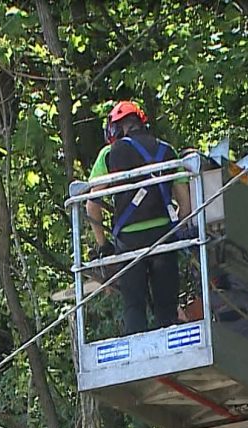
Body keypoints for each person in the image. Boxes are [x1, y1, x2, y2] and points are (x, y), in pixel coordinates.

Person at [86, 100, 191, 335]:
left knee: (134, 306)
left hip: (129, 242)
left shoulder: (110, 154)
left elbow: (92, 205)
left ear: (116, 128)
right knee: (167, 309)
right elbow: (185, 205)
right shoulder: (168, 151)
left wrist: (104, 246)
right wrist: (179, 234)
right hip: (164, 237)